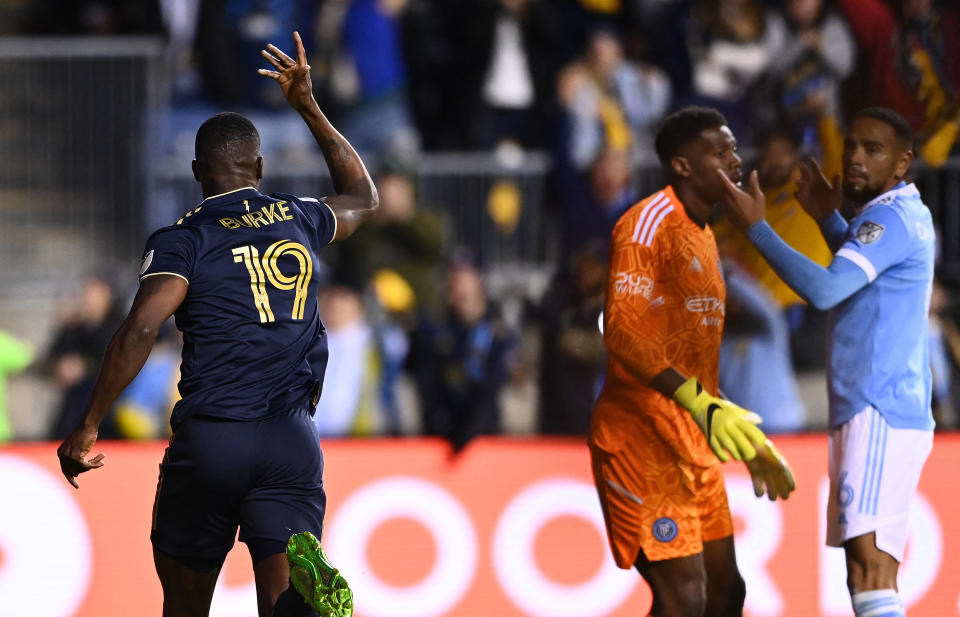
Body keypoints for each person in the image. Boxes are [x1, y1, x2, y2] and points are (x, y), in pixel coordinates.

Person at [55, 32, 377, 617]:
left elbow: (141, 329)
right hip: (289, 441)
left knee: (183, 603)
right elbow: (362, 196)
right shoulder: (299, 219)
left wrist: (88, 422)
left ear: (199, 171)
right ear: (258, 166)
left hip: (212, 439)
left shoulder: (186, 240)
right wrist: (308, 106)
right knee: (282, 602)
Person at [717, 106, 935, 617]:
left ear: (902, 163)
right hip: (873, 406)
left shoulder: (891, 217)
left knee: (870, 569)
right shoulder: (894, 214)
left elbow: (826, 289)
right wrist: (827, 219)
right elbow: (861, 280)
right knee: (864, 571)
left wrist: (757, 228)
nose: (856, 157)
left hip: (879, 406)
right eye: (852, 146)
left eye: (873, 150)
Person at [588, 106, 796, 617]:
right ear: (682, 166)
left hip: (692, 441)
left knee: (728, 595)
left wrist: (740, 433)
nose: (735, 156)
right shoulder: (645, 224)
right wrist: (698, 403)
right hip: (640, 442)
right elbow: (622, 332)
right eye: (720, 150)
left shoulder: (706, 235)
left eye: (733, 146)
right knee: (684, 598)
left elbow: (692, 362)